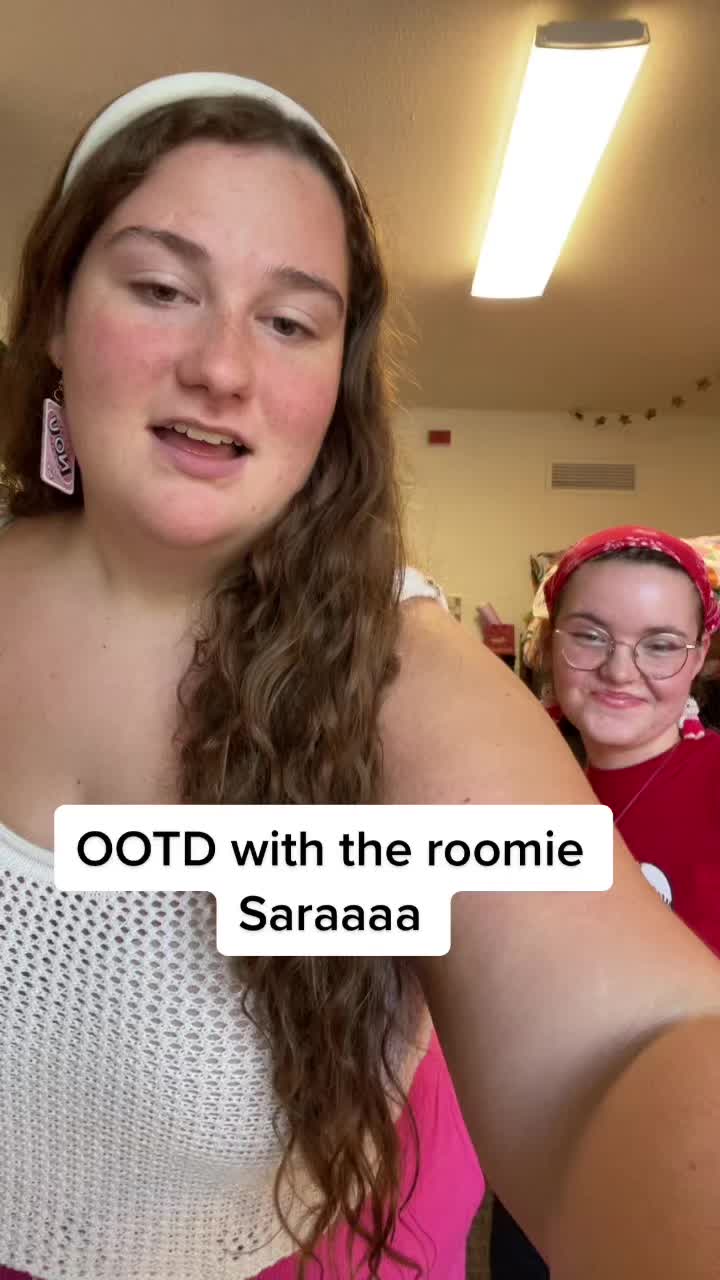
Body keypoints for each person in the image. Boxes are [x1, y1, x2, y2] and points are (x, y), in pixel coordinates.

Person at [1, 75, 720, 1280]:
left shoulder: (397, 675)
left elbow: (622, 1045)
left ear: (338, 380)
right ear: (56, 319)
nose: (222, 367)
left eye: (291, 322)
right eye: (162, 288)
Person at [490, 523, 720, 1279]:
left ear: (699, 657)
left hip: (687, 1169)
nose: (621, 669)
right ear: (548, 644)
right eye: (590, 635)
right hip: (537, 1161)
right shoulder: (514, 791)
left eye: (661, 645)